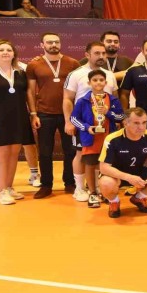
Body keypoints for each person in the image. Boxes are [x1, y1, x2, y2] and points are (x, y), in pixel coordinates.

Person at [0, 40, 36, 205]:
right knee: (0, 156)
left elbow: (26, 95)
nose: (5, 52)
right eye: (1, 50)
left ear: (14, 54)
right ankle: (1, 191)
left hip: (17, 119)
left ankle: (9, 187)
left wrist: (32, 114)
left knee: (13, 154)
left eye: (9, 50)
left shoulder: (20, 73)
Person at [25, 33, 80, 198]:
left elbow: (78, 89)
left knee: (70, 150)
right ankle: (46, 185)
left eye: (56, 42)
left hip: (68, 115)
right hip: (44, 113)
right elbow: (30, 91)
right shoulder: (34, 65)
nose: (53, 45)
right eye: (49, 42)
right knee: (45, 152)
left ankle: (70, 183)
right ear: (42, 45)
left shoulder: (73, 63)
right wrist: (33, 113)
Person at [63, 42, 119, 202]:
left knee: (101, 156)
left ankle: (96, 187)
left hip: (105, 125)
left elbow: (114, 98)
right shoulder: (76, 74)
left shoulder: (109, 75)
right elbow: (67, 99)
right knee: (81, 154)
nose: (101, 56)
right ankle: (80, 188)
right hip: (84, 124)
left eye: (103, 53)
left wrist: (116, 119)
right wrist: (69, 121)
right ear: (87, 55)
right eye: (97, 53)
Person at [98, 108, 147, 218]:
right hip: (117, 175)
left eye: (144, 122)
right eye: (136, 123)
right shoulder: (112, 139)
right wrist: (128, 177)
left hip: (139, 172)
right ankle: (114, 202)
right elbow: (104, 168)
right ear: (125, 123)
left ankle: (139, 197)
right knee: (106, 183)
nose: (141, 127)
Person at [70, 69, 125, 208]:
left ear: (106, 82)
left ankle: (105, 191)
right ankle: (92, 192)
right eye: (95, 80)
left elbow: (121, 117)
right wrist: (87, 127)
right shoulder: (83, 100)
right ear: (89, 83)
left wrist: (108, 112)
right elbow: (74, 118)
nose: (98, 83)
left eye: (101, 80)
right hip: (90, 138)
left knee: (107, 166)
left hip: (108, 138)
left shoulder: (113, 99)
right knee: (90, 165)